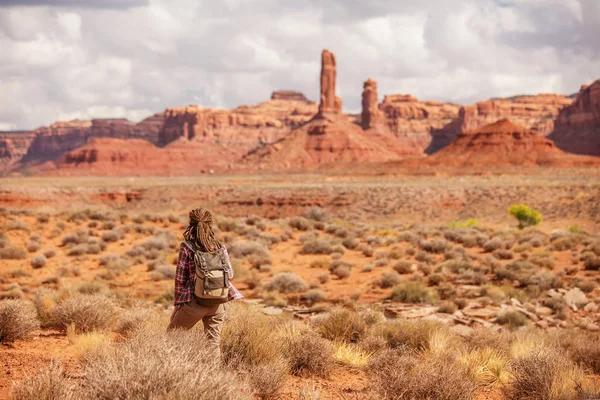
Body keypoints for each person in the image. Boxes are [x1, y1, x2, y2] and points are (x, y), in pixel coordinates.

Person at [167, 208, 243, 357]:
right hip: (218, 303)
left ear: (191, 224)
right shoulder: (220, 247)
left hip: (194, 303)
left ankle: (172, 373)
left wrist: (177, 307)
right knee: (213, 344)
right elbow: (230, 275)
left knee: (170, 338)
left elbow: (180, 280)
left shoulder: (187, 247)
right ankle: (214, 378)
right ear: (210, 224)